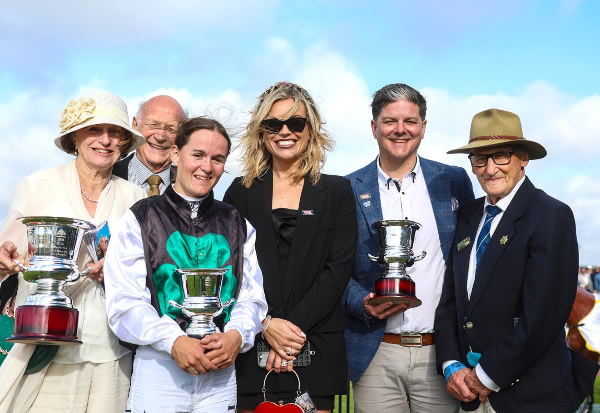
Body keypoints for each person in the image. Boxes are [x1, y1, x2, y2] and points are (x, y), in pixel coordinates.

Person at [435, 108, 599, 412]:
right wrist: (451, 363)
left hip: (530, 396)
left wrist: (486, 375)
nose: (490, 168)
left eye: (501, 156)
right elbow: (451, 300)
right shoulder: (468, 216)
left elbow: (543, 316)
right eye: (480, 159)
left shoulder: (551, 215)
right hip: (468, 393)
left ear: (523, 158)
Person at [104, 117, 268, 412]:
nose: (207, 167)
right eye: (198, 155)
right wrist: (174, 341)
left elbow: (252, 298)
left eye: (218, 159)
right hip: (160, 371)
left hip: (220, 376)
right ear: (175, 154)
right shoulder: (140, 218)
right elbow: (124, 303)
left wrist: (236, 336)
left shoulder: (238, 223)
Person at [0, 90, 146, 412]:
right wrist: (4, 255)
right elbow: (6, 256)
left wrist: (119, 270)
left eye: (115, 132)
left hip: (111, 350)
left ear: (123, 142)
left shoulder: (136, 197)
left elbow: (146, 272)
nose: (105, 140)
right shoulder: (37, 185)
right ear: (75, 137)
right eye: (95, 130)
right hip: (45, 342)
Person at [223, 81, 357, 413]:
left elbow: (337, 269)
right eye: (274, 124)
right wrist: (267, 325)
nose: (285, 131)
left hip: (316, 344)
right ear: (261, 132)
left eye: (296, 123)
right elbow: (230, 270)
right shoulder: (239, 192)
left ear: (311, 129)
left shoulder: (337, 191)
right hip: (253, 345)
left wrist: (289, 335)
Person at [342, 83, 474, 413]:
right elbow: (334, 267)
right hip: (376, 353)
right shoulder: (346, 189)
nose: (400, 130)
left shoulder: (454, 180)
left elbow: (469, 259)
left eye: (410, 121)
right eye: (390, 121)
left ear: (423, 128)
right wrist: (362, 303)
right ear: (374, 127)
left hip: (441, 354)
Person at [113, 95, 186, 195]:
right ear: (135, 125)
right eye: (153, 125)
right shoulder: (107, 174)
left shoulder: (190, 185)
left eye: (171, 129)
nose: (160, 137)